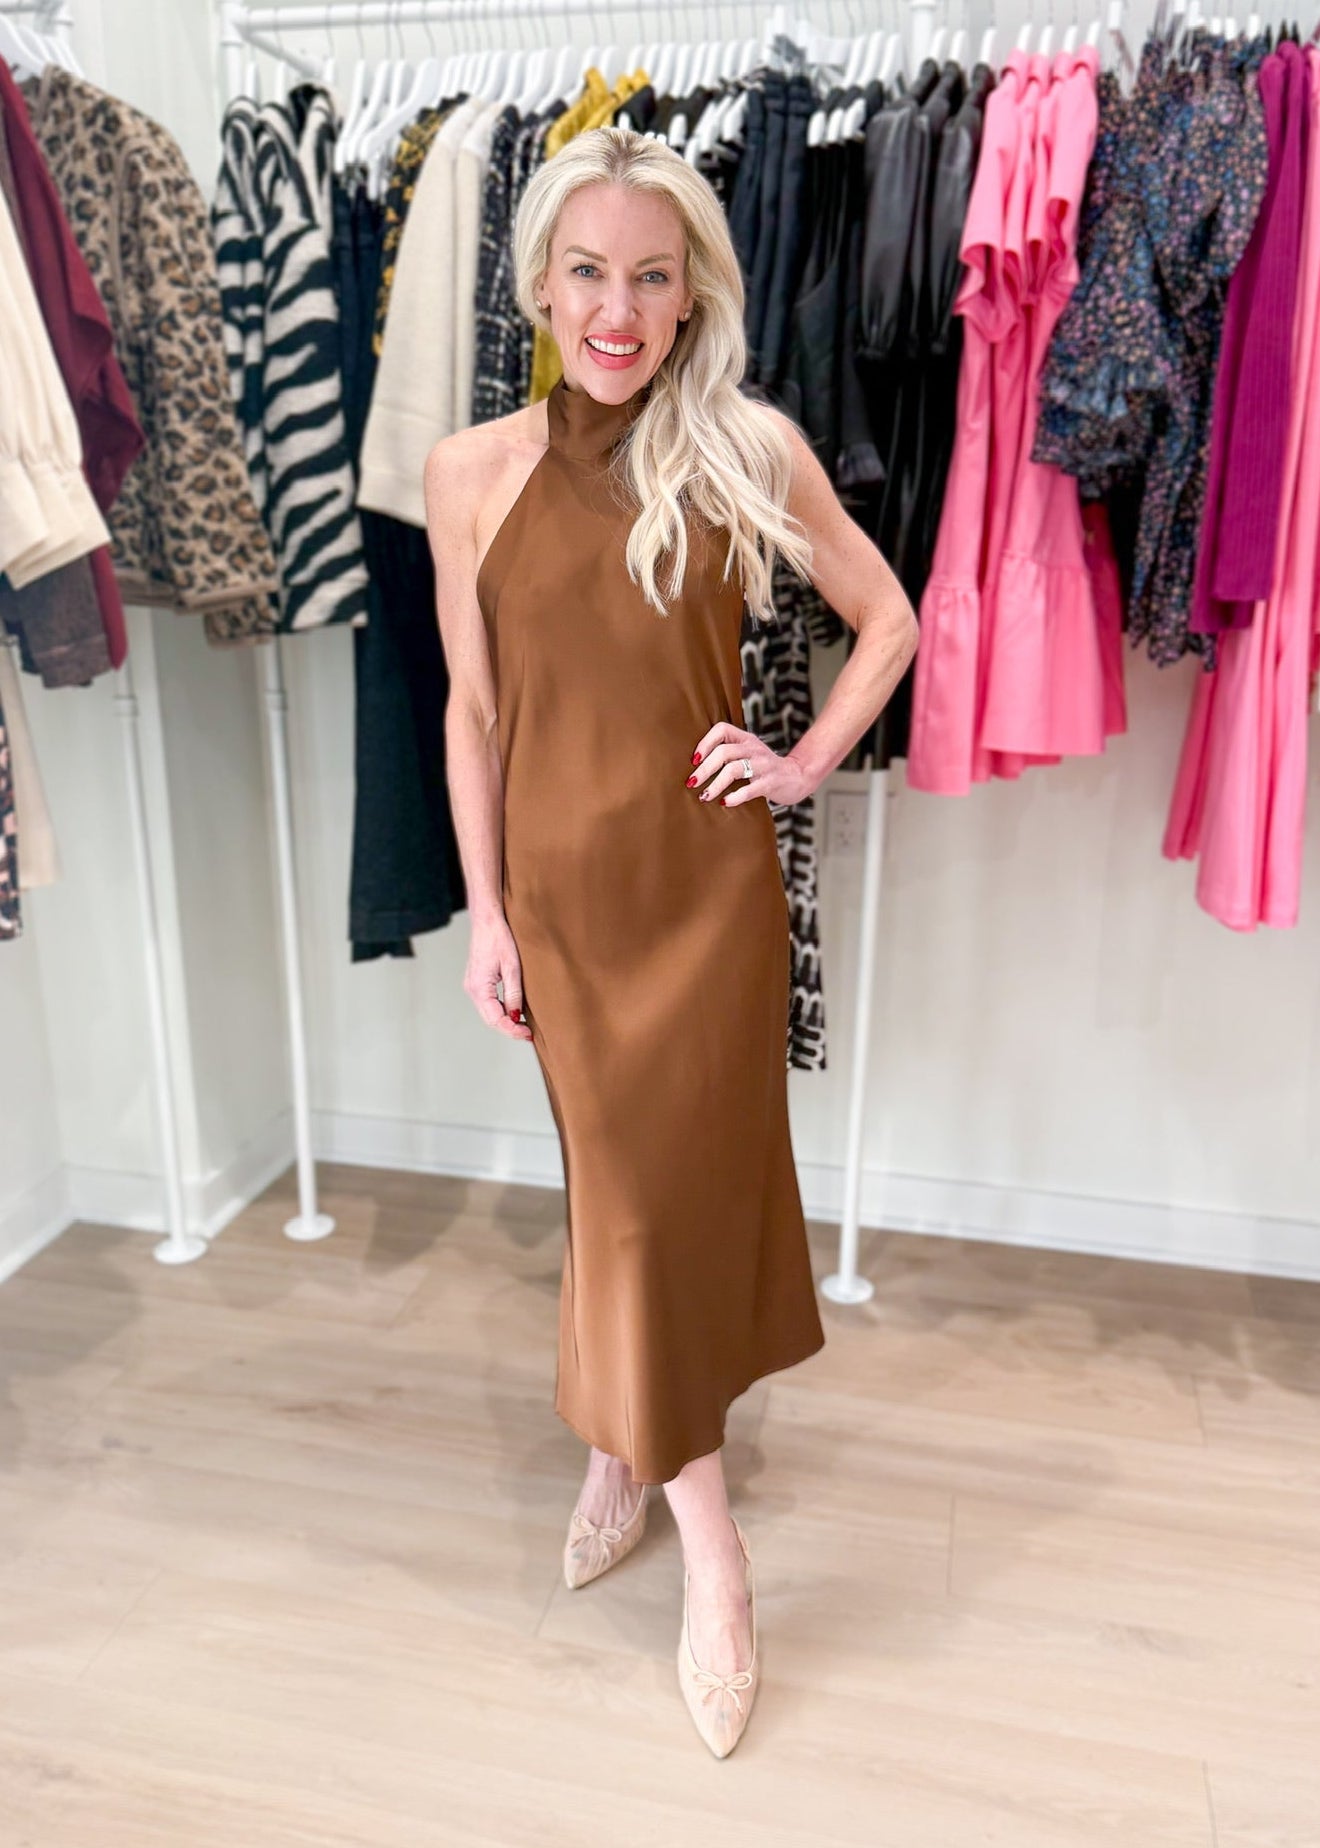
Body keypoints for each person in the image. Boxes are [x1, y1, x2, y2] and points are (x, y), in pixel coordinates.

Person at [424, 125, 918, 1757]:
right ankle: (630, 1452)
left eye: (651, 276)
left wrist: (801, 760)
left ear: (693, 290)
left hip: (703, 899)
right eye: (587, 273)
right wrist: (487, 912)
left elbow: (891, 618)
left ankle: (708, 1549)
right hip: (562, 911)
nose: (617, 312)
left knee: (662, 1209)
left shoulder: (743, 447)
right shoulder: (469, 472)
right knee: (615, 1200)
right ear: (539, 285)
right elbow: (473, 713)